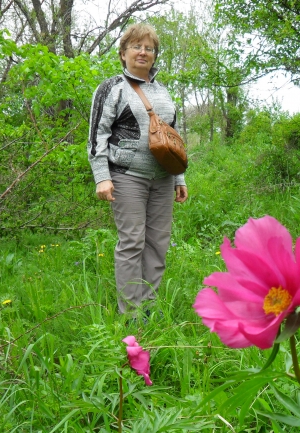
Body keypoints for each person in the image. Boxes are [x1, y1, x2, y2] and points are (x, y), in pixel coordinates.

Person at [87, 23, 187, 316]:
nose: (143, 52)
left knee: (157, 243)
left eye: (149, 48)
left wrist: (179, 176)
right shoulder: (111, 87)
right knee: (132, 242)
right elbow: (97, 136)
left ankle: (150, 309)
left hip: (163, 179)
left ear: (155, 55)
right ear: (123, 53)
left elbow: (173, 137)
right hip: (127, 175)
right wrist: (102, 177)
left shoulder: (164, 92)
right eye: (136, 46)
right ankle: (131, 314)